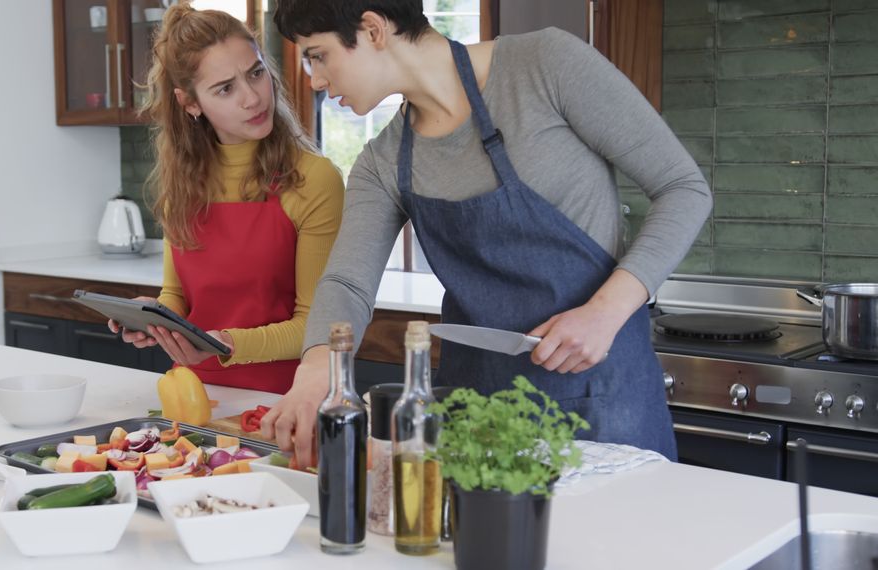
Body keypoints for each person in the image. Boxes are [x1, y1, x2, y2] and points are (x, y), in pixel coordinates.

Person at [262, 0, 712, 464]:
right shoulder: (383, 160)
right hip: (476, 412)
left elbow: (683, 189)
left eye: (318, 55)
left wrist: (604, 311)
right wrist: (318, 368)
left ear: (374, 30)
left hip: (603, 397)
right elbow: (347, 283)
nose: (314, 79)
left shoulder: (545, 65)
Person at [109, 3, 344, 394]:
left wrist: (222, 345)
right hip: (192, 396)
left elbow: (315, 327)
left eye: (256, 73)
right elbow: (178, 296)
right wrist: (156, 320)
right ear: (191, 103)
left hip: (282, 402)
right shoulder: (182, 184)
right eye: (225, 89)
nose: (252, 98)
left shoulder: (314, 180)